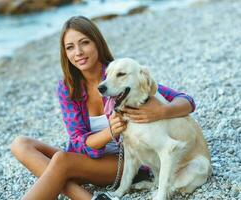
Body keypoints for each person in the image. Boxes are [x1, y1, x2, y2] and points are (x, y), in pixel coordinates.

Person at [10, 16, 196, 200]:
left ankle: (71, 184)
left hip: (127, 163)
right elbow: (78, 141)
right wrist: (110, 132)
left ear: (97, 43)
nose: (78, 52)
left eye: (84, 43)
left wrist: (162, 111)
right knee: (21, 144)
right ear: (65, 53)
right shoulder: (68, 87)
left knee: (61, 161)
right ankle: (87, 197)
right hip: (86, 159)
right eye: (70, 47)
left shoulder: (120, 74)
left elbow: (185, 100)